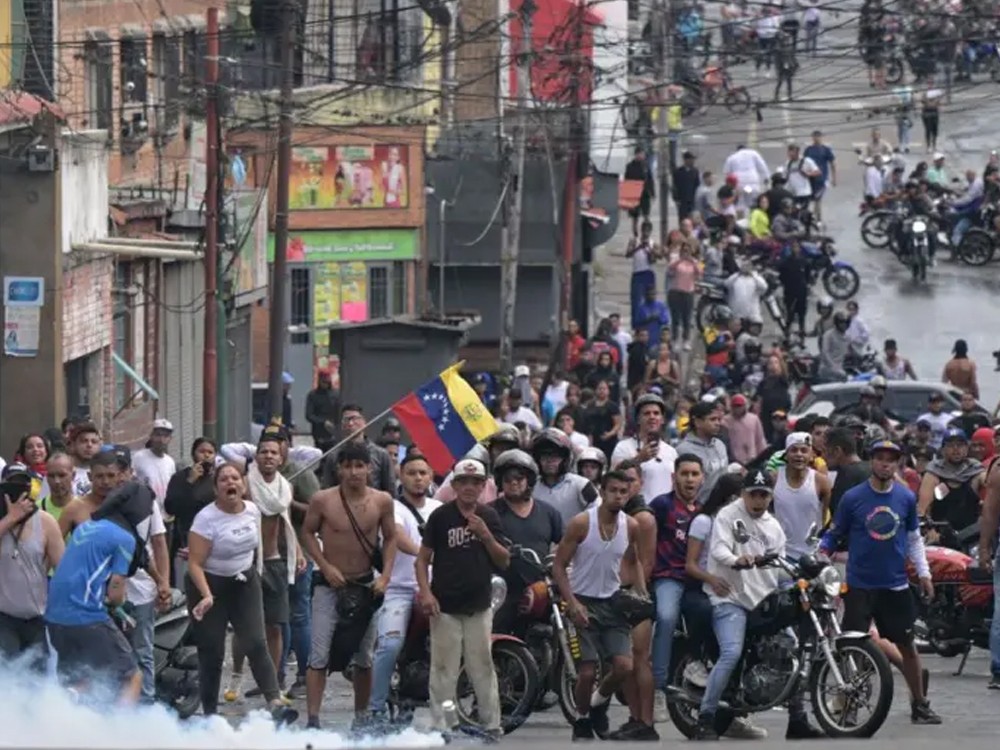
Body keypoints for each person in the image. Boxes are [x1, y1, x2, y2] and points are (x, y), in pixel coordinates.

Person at [820, 440, 942, 725]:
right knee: (855, 650)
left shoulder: (905, 498)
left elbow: (913, 539)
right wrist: (821, 556)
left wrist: (924, 573)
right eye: (880, 458)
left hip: (895, 585)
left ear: (898, 464)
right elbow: (834, 533)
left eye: (891, 459)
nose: (885, 464)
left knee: (907, 647)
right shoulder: (853, 498)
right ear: (871, 461)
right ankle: (849, 707)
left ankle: (920, 704)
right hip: (859, 585)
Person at [694, 470, 822, 739]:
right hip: (730, 598)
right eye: (753, 493)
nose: (758, 499)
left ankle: (797, 720)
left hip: (762, 598)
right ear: (744, 493)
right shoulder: (728, 515)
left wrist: (808, 573)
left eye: (764, 495)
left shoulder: (773, 526)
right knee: (731, 653)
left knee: (794, 649)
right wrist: (736, 560)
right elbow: (718, 550)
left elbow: (779, 567)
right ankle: (705, 718)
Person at [184, 462, 297, 723]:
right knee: (212, 650)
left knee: (256, 642)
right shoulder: (206, 519)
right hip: (208, 584)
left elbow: (256, 547)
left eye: (235, 478)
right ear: (216, 489)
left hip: (244, 581)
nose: (230, 483)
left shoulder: (253, 511)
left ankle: (275, 702)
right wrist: (206, 595)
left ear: (243, 486)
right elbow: (194, 564)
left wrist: (258, 573)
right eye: (224, 480)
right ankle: (210, 712)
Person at [416, 458, 509, 737]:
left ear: (483, 486)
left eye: (476, 482)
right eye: (463, 482)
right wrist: (426, 593)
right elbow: (422, 560)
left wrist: (485, 535)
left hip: (479, 605)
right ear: (454, 485)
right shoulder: (441, 517)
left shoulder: (489, 517)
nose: (469, 487)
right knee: (444, 670)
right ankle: (443, 723)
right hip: (445, 605)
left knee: (482, 666)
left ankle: (491, 724)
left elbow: (504, 561)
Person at [44, 470, 152, 705]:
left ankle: (63, 718)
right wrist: (120, 606)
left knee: (82, 678)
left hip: (54, 616)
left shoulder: (87, 526)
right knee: (131, 675)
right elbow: (115, 593)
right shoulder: (124, 538)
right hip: (86, 617)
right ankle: (120, 735)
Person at [553, 470, 640, 741]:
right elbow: (558, 565)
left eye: (623, 492)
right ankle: (581, 720)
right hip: (582, 601)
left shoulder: (631, 526)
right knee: (588, 671)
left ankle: (598, 705)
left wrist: (641, 594)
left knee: (624, 666)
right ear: (602, 492)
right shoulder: (582, 523)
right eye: (612, 490)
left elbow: (633, 560)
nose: (618, 496)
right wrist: (572, 602)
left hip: (613, 602)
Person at [368, 453, 442, 721]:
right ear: (400, 474)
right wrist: (427, 555)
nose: (418, 478)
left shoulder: (439, 508)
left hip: (434, 589)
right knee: (390, 645)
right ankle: (374, 709)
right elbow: (397, 537)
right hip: (398, 589)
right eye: (412, 472)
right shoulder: (392, 508)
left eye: (423, 473)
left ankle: (444, 715)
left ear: (431, 476)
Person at [648, 455, 705, 723]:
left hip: (696, 582)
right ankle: (658, 690)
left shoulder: (704, 512)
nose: (690, 479)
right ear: (674, 477)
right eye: (685, 473)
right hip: (667, 577)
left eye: (695, 474)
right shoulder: (662, 505)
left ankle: (697, 670)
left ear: (702, 478)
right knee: (667, 618)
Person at [609, 459, 658, 740]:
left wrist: (637, 595)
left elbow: (645, 562)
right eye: (618, 483)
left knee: (639, 660)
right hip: (614, 593)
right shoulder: (613, 515)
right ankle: (635, 719)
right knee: (622, 660)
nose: (624, 487)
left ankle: (647, 722)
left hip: (633, 593)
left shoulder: (643, 518)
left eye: (630, 481)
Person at [488, 449, 562, 634]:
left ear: (529, 480)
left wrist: (555, 561)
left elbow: (563, 543)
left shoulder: (548, 512)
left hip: (542, 588)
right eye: (508, 478)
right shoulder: (489, 513)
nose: (513, 483)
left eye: (519, 478)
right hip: (502, 592)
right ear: (500, 482)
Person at [0, 463, 64, 663]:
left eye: (23, 486)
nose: (18, 493)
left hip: (37, 618)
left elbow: (63, 569)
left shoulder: (45, 521)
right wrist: (10, 519)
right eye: (12, 487)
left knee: (37, 682)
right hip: (3, 618)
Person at [164, 438, 218, 587]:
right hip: (185, 537)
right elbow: (170, 507)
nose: (206, 455)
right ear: (193, 454)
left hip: (214, 538)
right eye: (202, 451)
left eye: (210, 452)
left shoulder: (219, 479)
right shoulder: (181, 477)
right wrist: (190, 482)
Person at [917, 428, 986, 543]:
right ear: (943, 449)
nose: (956, 449)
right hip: (939, 535)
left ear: (967, 448)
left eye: (960, 445)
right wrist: (930, 531)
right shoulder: (933, 473)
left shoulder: (976, 470)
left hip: (971, 536)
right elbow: (923, 510)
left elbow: (991, 485)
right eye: (950, 445)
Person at [771, 433, 831, 558]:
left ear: (811, 455)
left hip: (812, 554)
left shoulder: (821, 481)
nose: (799, 454)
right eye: (794, 450)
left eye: (804, 450)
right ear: (786, 455)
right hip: (781, 554)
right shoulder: (774, 478)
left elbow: (825, 516)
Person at [612, 393, 679, 500]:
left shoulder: (671, 452)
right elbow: (614, 478)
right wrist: (639, 459)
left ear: (662, 419)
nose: (652, 417)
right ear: (638, 419)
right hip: (636, 511)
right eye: (647, 413)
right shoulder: (623, 447)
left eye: (656, 413)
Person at [320, 404, 397, 492]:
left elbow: (391, 490)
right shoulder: (333, 456)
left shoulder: (381, 454)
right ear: (341, 425)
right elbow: (327, 489)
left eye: (355, 418)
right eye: (346, 420)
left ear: (364, 421)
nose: (350, 423)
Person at [676, 401, 730, 504]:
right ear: (697, 422)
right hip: (696, 508)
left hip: (721, 507)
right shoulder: (684, 450)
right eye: (712, 419)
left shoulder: (720, 445)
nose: (718, 423)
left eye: (719, 419)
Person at [131, 419, 176, 514]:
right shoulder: (139, 457)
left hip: (165, 515)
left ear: (170, 439)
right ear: (151, 436)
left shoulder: (170, 462)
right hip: (146, 512)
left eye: (165, 436)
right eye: (158, 435)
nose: (161, 440)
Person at [825, 427, 871, 517]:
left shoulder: (846, 474)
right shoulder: (873, 469)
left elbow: (838, 511)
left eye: (826, 451)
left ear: (837, 451)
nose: (824, 456)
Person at [627, 221, 658, 328]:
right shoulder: (634, 241)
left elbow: (653, 260)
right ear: (641, 230)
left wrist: (648, 249)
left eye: (648, 231)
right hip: (637, 274)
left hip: (648, 273)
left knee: (650, 298)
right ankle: (635, 325)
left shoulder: (653, 243)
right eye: (644, 230)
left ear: (650, 231)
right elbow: (628, 254)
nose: (645, 233)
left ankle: (649, 323)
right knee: (636, 301)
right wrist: (639, 247)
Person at [723, 394, 767, 466]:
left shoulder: (754, 419)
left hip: (752, 458)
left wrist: (763, 456)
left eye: (739, 406)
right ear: (731, 406)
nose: (737, 408)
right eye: (735, 406)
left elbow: (760, 439)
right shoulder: (725, 421)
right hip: (734, 460)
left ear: (745, 406)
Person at [305, 369, 341, 453]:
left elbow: (339, 411)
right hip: (319, 432)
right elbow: (309, 415)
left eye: (327, 382)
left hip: (334, 431)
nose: (325, 384)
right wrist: (323, 422)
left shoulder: (336, 394)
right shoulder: (313, 395)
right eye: (323, 382)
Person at [625, 147, 655, 236]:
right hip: (634, 195)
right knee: (635, 216)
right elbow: (627, 181)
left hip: (645, 194)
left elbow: (650, 180)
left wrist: (652, 193)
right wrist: (627, 197)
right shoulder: (630, 166)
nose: (642, 156)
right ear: (636, 154)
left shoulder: (646, 166)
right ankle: (635, 233)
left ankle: (646, 231)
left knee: (646, 214)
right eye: (640, 154)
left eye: (643, 154)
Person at [39, 451, 75, 523]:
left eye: (62, 475)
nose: (57, 481)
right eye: (51, 476)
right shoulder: (37, 509)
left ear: (73, 476)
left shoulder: (83, 509)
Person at [673, 151, 701, 222]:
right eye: (691, 159)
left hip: (692, 200)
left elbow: (697, 185)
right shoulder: (678, 172)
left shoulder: (695, 171)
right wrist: (676, 199)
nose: (693, 161)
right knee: (683, 219)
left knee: (692, 219)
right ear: (686, 160)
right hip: (682, 200)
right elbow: (675, 186)